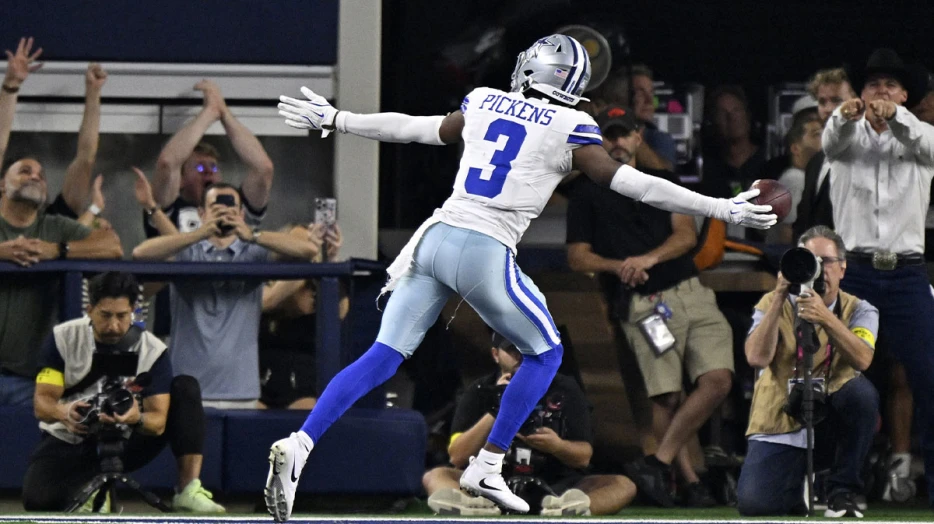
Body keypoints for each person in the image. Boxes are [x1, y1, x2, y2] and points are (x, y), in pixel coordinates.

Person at [265, 33, 775, 522]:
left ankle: (301, 443)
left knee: (382, 355)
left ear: (531, 68)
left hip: (436, 236)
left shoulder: (486, 100)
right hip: (483, 248)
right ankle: (489, 463)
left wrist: (337, 118)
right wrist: (720, 207)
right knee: (546, 354)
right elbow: (634, 184)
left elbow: (417, 128)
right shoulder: (570, 124)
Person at [566, 105, 732, 508]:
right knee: (666, 397)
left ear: (638, 137)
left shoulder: (664, 181)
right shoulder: (585, 192)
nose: (617, 143)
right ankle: (690, 482)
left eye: (624, 134)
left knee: (718, 380)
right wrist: (621, 267)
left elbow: (686, 235)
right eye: (609, 136)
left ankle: (657, 462)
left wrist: (647, 259)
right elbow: (577, 257)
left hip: (690, 291)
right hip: (644, 305)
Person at [826, 48, 934, 508]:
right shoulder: (844, 136)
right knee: (843, 378)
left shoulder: (923, 135)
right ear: (861, 93)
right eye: (873, 85)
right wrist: (844, 115)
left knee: (929, 376)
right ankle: (842, 486)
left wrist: (897, 117)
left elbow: (922, 141)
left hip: (907, 274)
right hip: (856, 273)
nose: (882, 92)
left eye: (891, 85)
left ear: (906, 95)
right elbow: (830, 141)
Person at [22, 272, 224, 512]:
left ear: (133, 312)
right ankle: (89, 490)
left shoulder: (152, 350)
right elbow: (42, 404)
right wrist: (63, 412)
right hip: (73, 437)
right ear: (89, 310)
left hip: (127, 439)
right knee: (37, 500)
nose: (113, 326)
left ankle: (188, 489)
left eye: (122, 316)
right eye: (105, 315)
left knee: (185, 387)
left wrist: (136, 418)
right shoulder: (63, 338)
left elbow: (158, 421)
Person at [131, 183, 317, 408]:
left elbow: (309, 250)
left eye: (231, 208)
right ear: (202, 213)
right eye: (216, 207)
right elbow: (140, 253)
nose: (224, 214)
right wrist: (199, 233)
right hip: (188, 389)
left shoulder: (253, 252)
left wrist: (253, 235)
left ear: (241, 214)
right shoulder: (188, 251)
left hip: (241, 390)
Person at [738, 226, 879, 518]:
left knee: (861, 394)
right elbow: (756, 357)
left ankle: (841, 491)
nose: (818, 269)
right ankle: (795, 488)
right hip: (783, 414)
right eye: (810, 260)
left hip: (830, 419)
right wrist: (779, 296)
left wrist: (824, 316)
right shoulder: (771, 303)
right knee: (756, 505)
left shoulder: (861, 310)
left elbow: (863, 359)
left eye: (826, 261)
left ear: (842, 268)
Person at [423, 332, 635, 516]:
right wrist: (499, 410)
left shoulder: (564, 388)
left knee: (623, 484)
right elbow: (457, 456)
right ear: (496, 355)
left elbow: (584, 457)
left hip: (555, 487)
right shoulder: (480, 391)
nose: (521, 355)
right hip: (490, 484)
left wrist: (557, 446)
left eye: (528, 349)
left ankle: (567, 509)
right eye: (513, 349)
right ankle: (473, 508)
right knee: (436, 475)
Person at [146, 78, 275, 338]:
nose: (208, 173)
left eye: (213, 167)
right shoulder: (169, 209)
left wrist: (223, 113)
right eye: (199, 167)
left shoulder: (235, 209)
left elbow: (263, 169)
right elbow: (168, 163)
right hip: (176, 328)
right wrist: (208, 114)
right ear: (182, 179)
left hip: (232, 327)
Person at [0, 155, 123, 406]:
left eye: (41, 175)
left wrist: (58, 250)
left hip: (30, 380)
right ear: (2, 184)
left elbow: (112, 246)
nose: (35, 177)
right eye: (25, 171)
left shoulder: (55, 227)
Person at [259, 222, 345, 410]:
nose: (304, 249)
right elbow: (268, 301)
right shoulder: (266, 280)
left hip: (304, 379)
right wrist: (310, 263)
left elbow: (341, 310)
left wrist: (328, 263)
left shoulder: (319, 283)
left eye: (310, 244)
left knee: (306, 411)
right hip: (261, 376)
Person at [792, 68, 856, 240]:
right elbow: (803, 222)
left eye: (837, 101)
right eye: (822, 102)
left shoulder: (867, 157)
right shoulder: (816, 162)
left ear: (856, 103)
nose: (828, 109)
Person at [771, 105, 822, 244]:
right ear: (795, 148)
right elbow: (788, 234)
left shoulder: (808, 179)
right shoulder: (795, 179)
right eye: (817, 134)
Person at [630, 63, 678, 170]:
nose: (650, 101)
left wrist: (627, 132)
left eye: (651, 93)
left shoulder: (659, 139)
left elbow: (664, 173)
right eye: (640, 93)